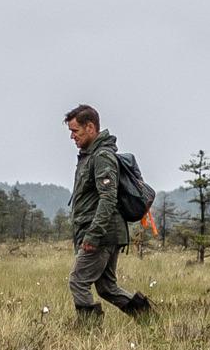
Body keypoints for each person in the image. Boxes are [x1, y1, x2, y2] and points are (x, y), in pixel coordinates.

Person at [64, 104, 151, 321]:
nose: (72, 137)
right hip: (106, 231)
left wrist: (93, 234)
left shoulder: (101, 156)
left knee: (78, 281)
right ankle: (149, 319)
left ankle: (88, 331)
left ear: (90, 127)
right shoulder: (89, 155)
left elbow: (108, 198)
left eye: (75, 131)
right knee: (107, 287)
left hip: (102, 233)